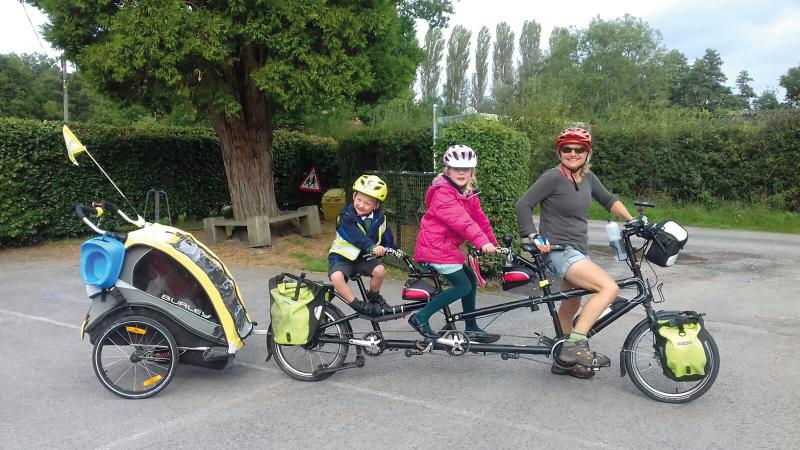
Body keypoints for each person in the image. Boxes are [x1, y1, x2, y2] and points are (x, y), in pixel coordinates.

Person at [515, 126, 633, 379]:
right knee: (609, 288)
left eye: (579, 149)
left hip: (578, 251)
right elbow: (523, 204)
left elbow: (609, 200)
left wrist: (632, 220)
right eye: (566, 148)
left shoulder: (588, 179)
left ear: (587, 153)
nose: (572, 153)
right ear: (559, 152)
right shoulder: (553, 177)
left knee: (569, 306)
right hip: (559, 251)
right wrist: (533, 235)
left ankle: (563, 360)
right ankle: (575, 346)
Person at [409, 145, 500, 344]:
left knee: (469, 278)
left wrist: (492, 243)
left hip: (446, 248)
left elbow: (480, 219)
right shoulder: (443, 193)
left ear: (472, 172)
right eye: (456, 168)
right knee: (463, 285)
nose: (461, 172)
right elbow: (462, 221)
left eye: (466, 169)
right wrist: (481, 242)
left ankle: (471, 327)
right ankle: (421, 317)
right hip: (435, 248)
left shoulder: (467, 193)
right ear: (447, 170)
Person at [328, 174, 397, 317]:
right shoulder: (345, 216)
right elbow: (356, 236)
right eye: (358, 199)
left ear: (376, 205)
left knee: (379, 270)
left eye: (367, 203)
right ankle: (357, 304)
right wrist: (372, 247)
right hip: (342, 259)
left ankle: (374, 297)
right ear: (353, 196)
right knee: (336, 278)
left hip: (364, 259)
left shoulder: (380, 218)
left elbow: (386, 235)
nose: (360, 205)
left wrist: (393, 249)